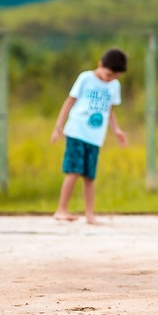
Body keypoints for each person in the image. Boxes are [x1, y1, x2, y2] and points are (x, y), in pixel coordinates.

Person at [51, 47, 128, 224]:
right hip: (77, 131)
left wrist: (116, 130)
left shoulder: (114, 86)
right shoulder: (86, 78)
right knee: (74, 170)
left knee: (89, 175)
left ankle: (90, 215)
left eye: (115, 77)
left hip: (95, 136)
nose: (111, 79)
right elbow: (70, 100)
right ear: (100, 65)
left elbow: (110, 109)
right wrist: (58, 126)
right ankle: (61, 209)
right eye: (109, 75)